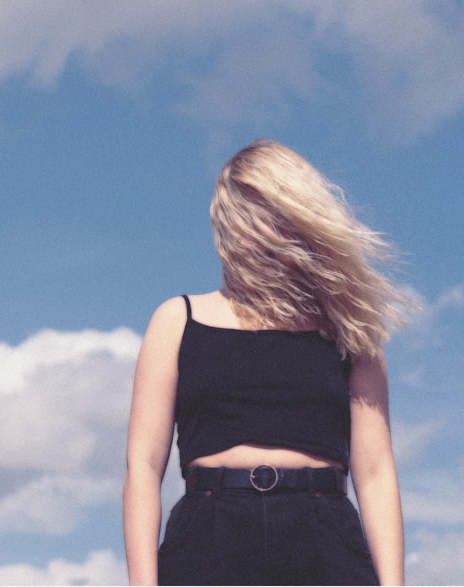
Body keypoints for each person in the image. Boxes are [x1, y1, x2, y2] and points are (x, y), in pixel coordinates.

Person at [123, 139, 409, 585]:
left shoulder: (350, 332)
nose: (256, 234)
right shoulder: (177, 320)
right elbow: (143, 466)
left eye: (272, 216)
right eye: (244, 217)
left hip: (324, 540)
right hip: (207, 537)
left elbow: (374, 472)